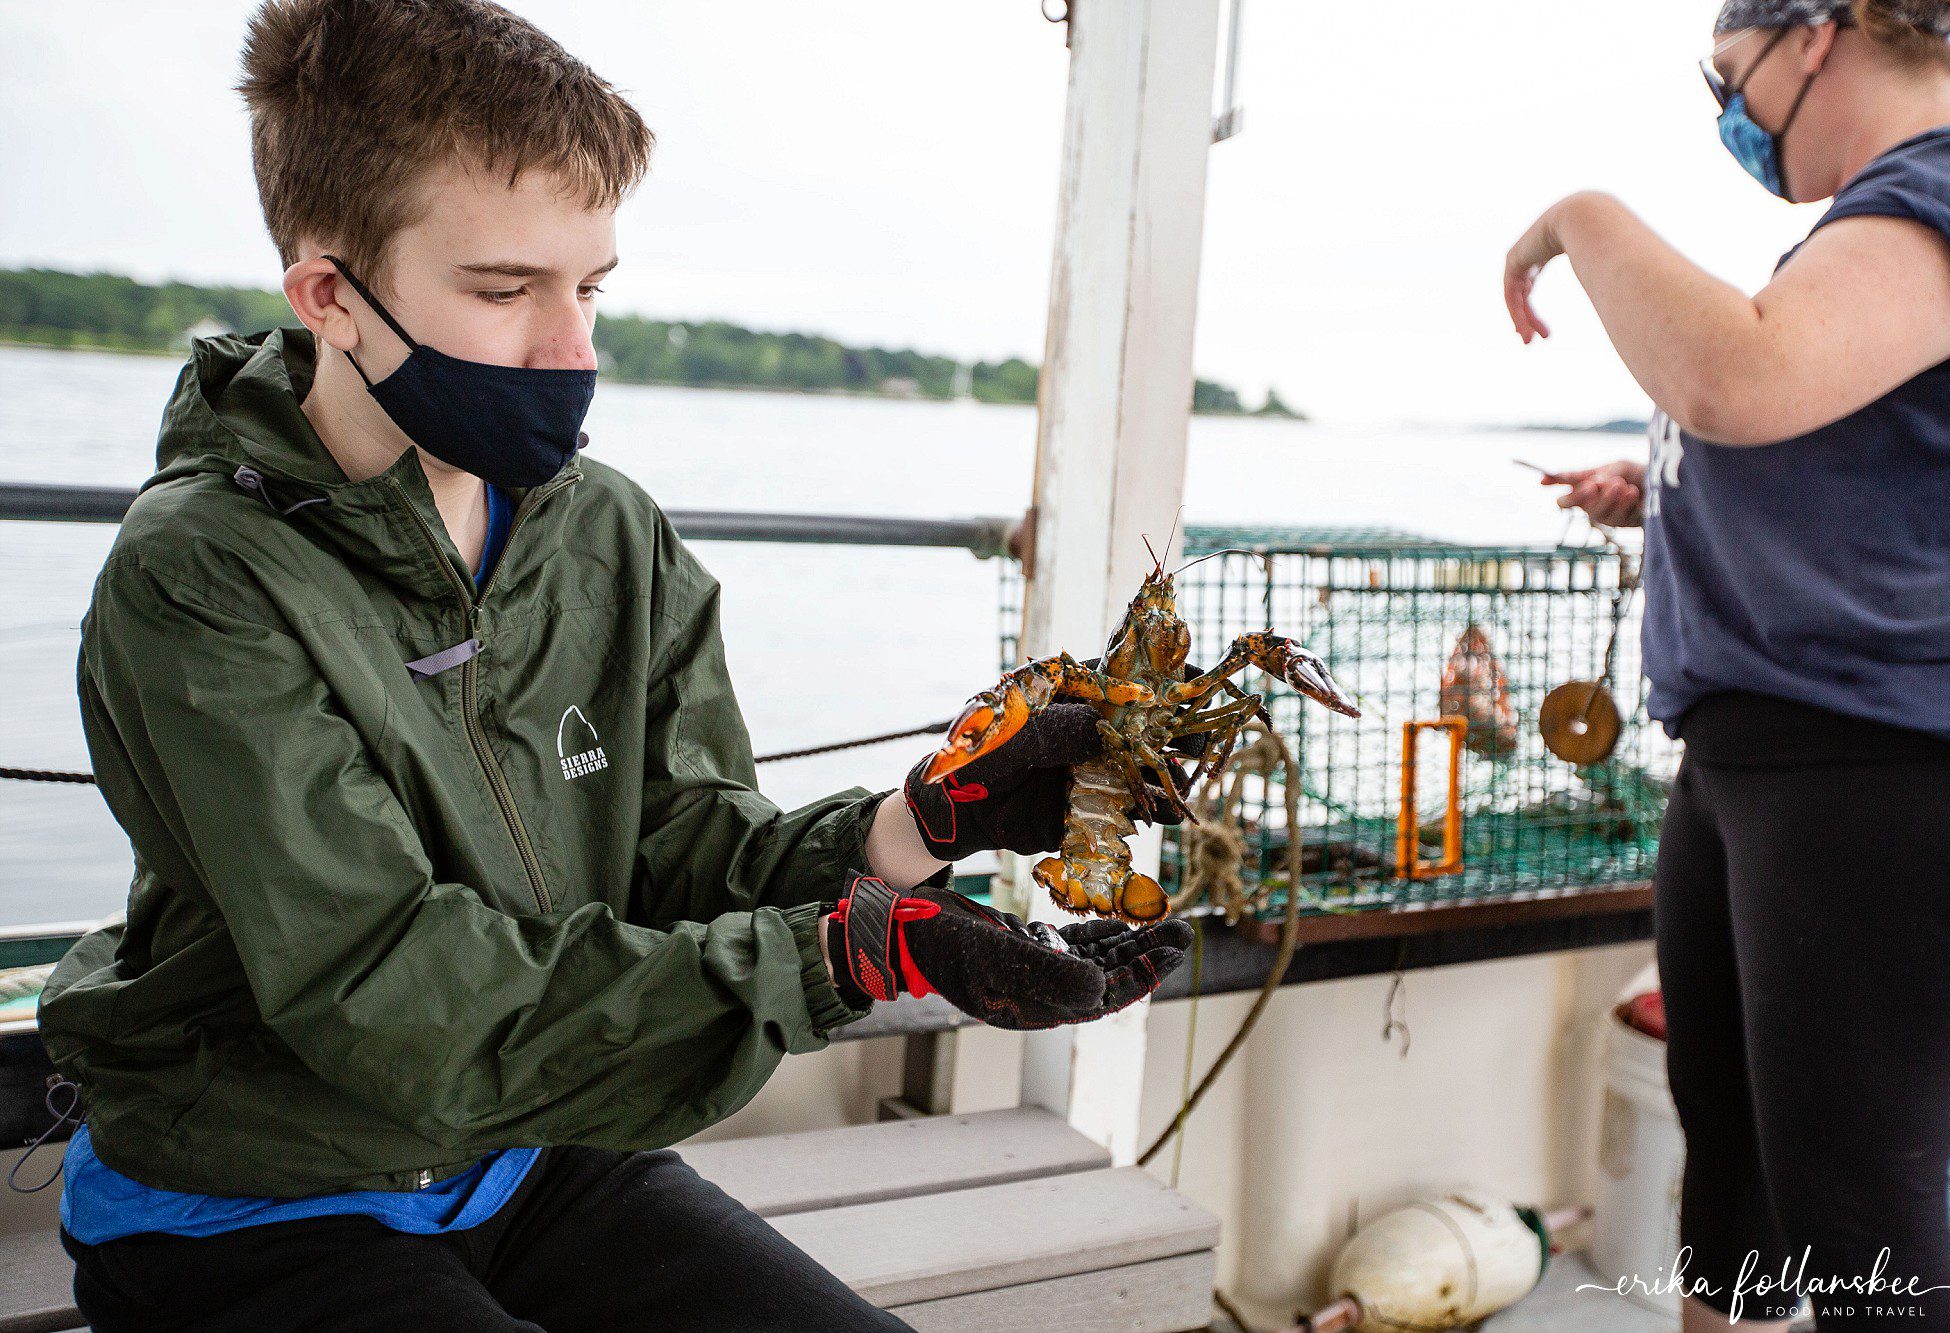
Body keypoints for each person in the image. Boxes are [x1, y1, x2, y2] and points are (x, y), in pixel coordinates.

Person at [28, 2, 1193, 1329]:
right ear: (331, 296)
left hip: (527, 1151)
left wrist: (915, 829)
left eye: (590, 289)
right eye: (505, 290)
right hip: (253, 1192)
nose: (571, 350)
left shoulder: (603, 530)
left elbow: (684, 850)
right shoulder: (200, 576)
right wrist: (844, 961)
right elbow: (391, 986)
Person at [1504, 1, 1950, 1328]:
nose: (1728, 114)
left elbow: (1746, 372)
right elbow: (1864, 463)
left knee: (1864, 1235)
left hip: (1882, 775)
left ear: (1818, 36)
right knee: (1736, 1168)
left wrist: (1579, 215)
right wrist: (1664, 491)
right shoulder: (1878, 223)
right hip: (1751, 761)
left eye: (1728, 79)